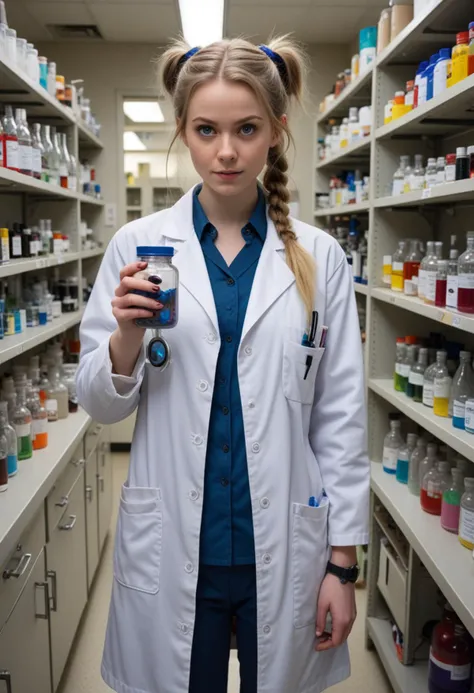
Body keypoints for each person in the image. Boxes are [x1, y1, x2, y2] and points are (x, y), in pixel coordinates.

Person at [76, 35, 369, 693]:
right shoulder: (137, 246)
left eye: (246, 128)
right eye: (206, 129)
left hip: (286, 548)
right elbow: (99, 403)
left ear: (276, 131)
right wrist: (125, 333)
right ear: (183, 130)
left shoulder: (319, 260)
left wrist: (342, 566)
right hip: (180, 545)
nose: (227, 151)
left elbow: (341, 420)